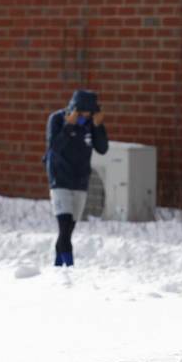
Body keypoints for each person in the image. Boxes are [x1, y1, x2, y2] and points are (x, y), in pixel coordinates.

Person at [45, 90, 107, 266]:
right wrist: (69, 126)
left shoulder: (90, 124)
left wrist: (98, 127)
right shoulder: (57, 119)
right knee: (64, 228)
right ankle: (70, 268)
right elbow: (54, 147)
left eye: (89, 114)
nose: (85, 117)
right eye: (82, 113)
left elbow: (102, 148)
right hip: (60, 179)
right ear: (74, 110)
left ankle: (58, 267)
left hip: (80, 181)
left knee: (69, 229)